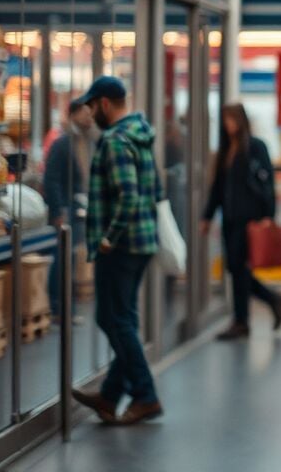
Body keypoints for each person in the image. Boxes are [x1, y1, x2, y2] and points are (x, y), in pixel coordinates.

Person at [69, 76, 164, 426]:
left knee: (113, 319)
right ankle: (110, 395)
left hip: (121, 246)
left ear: (105, 104)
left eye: (92, 106)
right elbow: (151, 189)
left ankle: (145, 395)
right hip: (140, 241)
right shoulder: (140, 135)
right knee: (122, 319)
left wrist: (108, 237)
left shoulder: (115, 141)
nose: (90, 113)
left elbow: (129, 195)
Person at [201, 104, 281, 341]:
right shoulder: (226, 150)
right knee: (236, 269)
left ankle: (242, 320)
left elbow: (267, 184)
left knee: (239, 268)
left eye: (232, 119)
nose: (229, 124)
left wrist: (269, 215)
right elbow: (218, 187)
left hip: (248, 219)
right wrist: (208, 215)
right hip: (229, 217)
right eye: (226, 119)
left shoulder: (256, 148)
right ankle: (269, 301)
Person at [42, 98, 96, 322]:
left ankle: (66, 308)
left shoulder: (84, 140)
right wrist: (58, 209)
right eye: (84, 113)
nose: (88, 117)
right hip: (66, 209)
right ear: (73, 113)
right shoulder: (63, 142)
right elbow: (51, 178)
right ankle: (58, 308)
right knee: (62, 258)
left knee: (71, 258)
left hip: (77, 208)